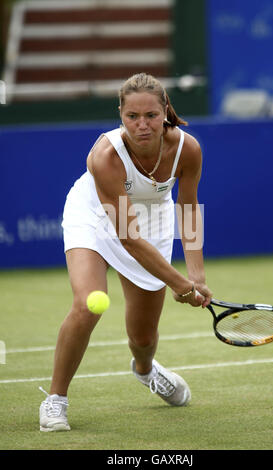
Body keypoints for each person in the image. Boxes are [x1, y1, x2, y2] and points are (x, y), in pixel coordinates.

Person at [39, 73, 212, 432]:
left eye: (150, 115)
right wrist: (180, 284)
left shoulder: (187, 149)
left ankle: (146, 370)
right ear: (120, 114)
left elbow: (189, 206)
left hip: (154, 221)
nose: (142, 125)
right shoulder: (105, 156)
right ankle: (55, 399)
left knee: (144, 338)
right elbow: (128, 238)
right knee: (89, 302)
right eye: (132, 116)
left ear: (165, 111)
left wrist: (196, 274)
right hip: (94, 217)